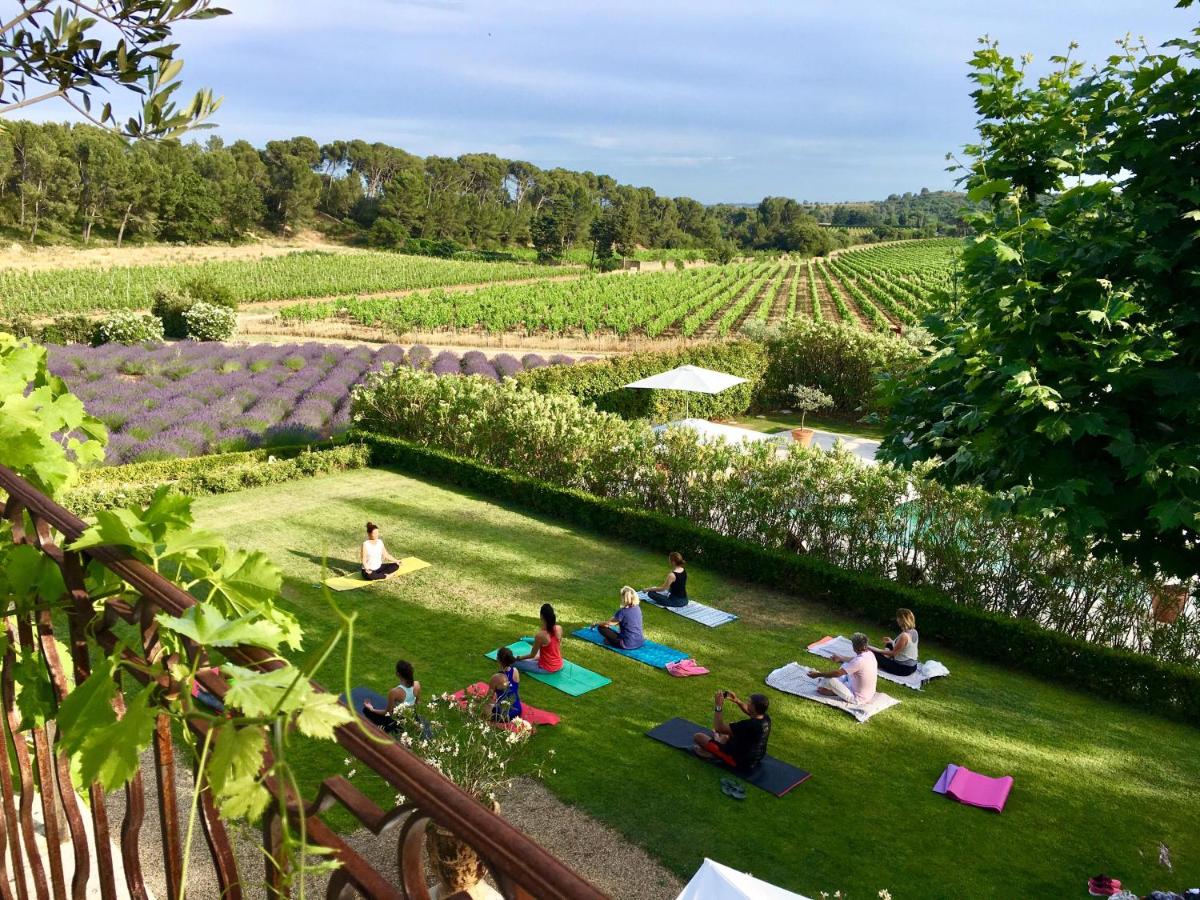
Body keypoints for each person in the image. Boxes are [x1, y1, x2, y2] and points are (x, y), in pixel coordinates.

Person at [691, 690, 772, 771]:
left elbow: (718, 727)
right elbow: (749, 711)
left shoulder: (748, 725)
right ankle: (719, 742)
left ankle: (713, 754)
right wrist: (737, 701)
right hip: (757, 756)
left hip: (739, 761)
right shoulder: (765, 718)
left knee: (698, 737)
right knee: (730, 729)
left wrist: (718, 706)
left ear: (754, 707)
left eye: (749, 702)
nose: (747, 703)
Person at [807, 632, 878, 704]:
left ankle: (833, 690)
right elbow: (853, 659)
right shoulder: (869, 653)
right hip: (868, 693)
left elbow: (837, 673)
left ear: (855, 647)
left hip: (857, 698)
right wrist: (840, 658)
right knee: (846, 664)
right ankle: (836, 688)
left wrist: (818, 674)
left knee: (827, 680)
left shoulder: (859, 661)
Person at [514, 603, 564, 673]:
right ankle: (525, 641)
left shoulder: (540, 635)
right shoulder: (559, 628)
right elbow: (554, 645)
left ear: (541, 616)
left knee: (513, 662)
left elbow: (532, 655)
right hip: (559, 664)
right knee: (537, 655)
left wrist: (518, 658)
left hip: (547, 668)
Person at [871, 608, 920, 677]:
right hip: (913, 666)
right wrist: (891, 641)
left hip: (903, 669)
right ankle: (885, 658)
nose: (897, 620)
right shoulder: (914, 631)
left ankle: (884, 659)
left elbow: (893, 653)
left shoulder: (904, 635)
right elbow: (905, 646)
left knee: (871, 652)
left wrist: (876, 650)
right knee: (889, 644)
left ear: (902, 620)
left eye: (898, 618)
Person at [488, 647, 523, 722]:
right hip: (517, 710)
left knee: (478, 705)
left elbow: (489, 698)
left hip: (504, 715)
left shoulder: (496, 678)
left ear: (498, 659)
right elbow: (515, 690)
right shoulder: (515, 671)